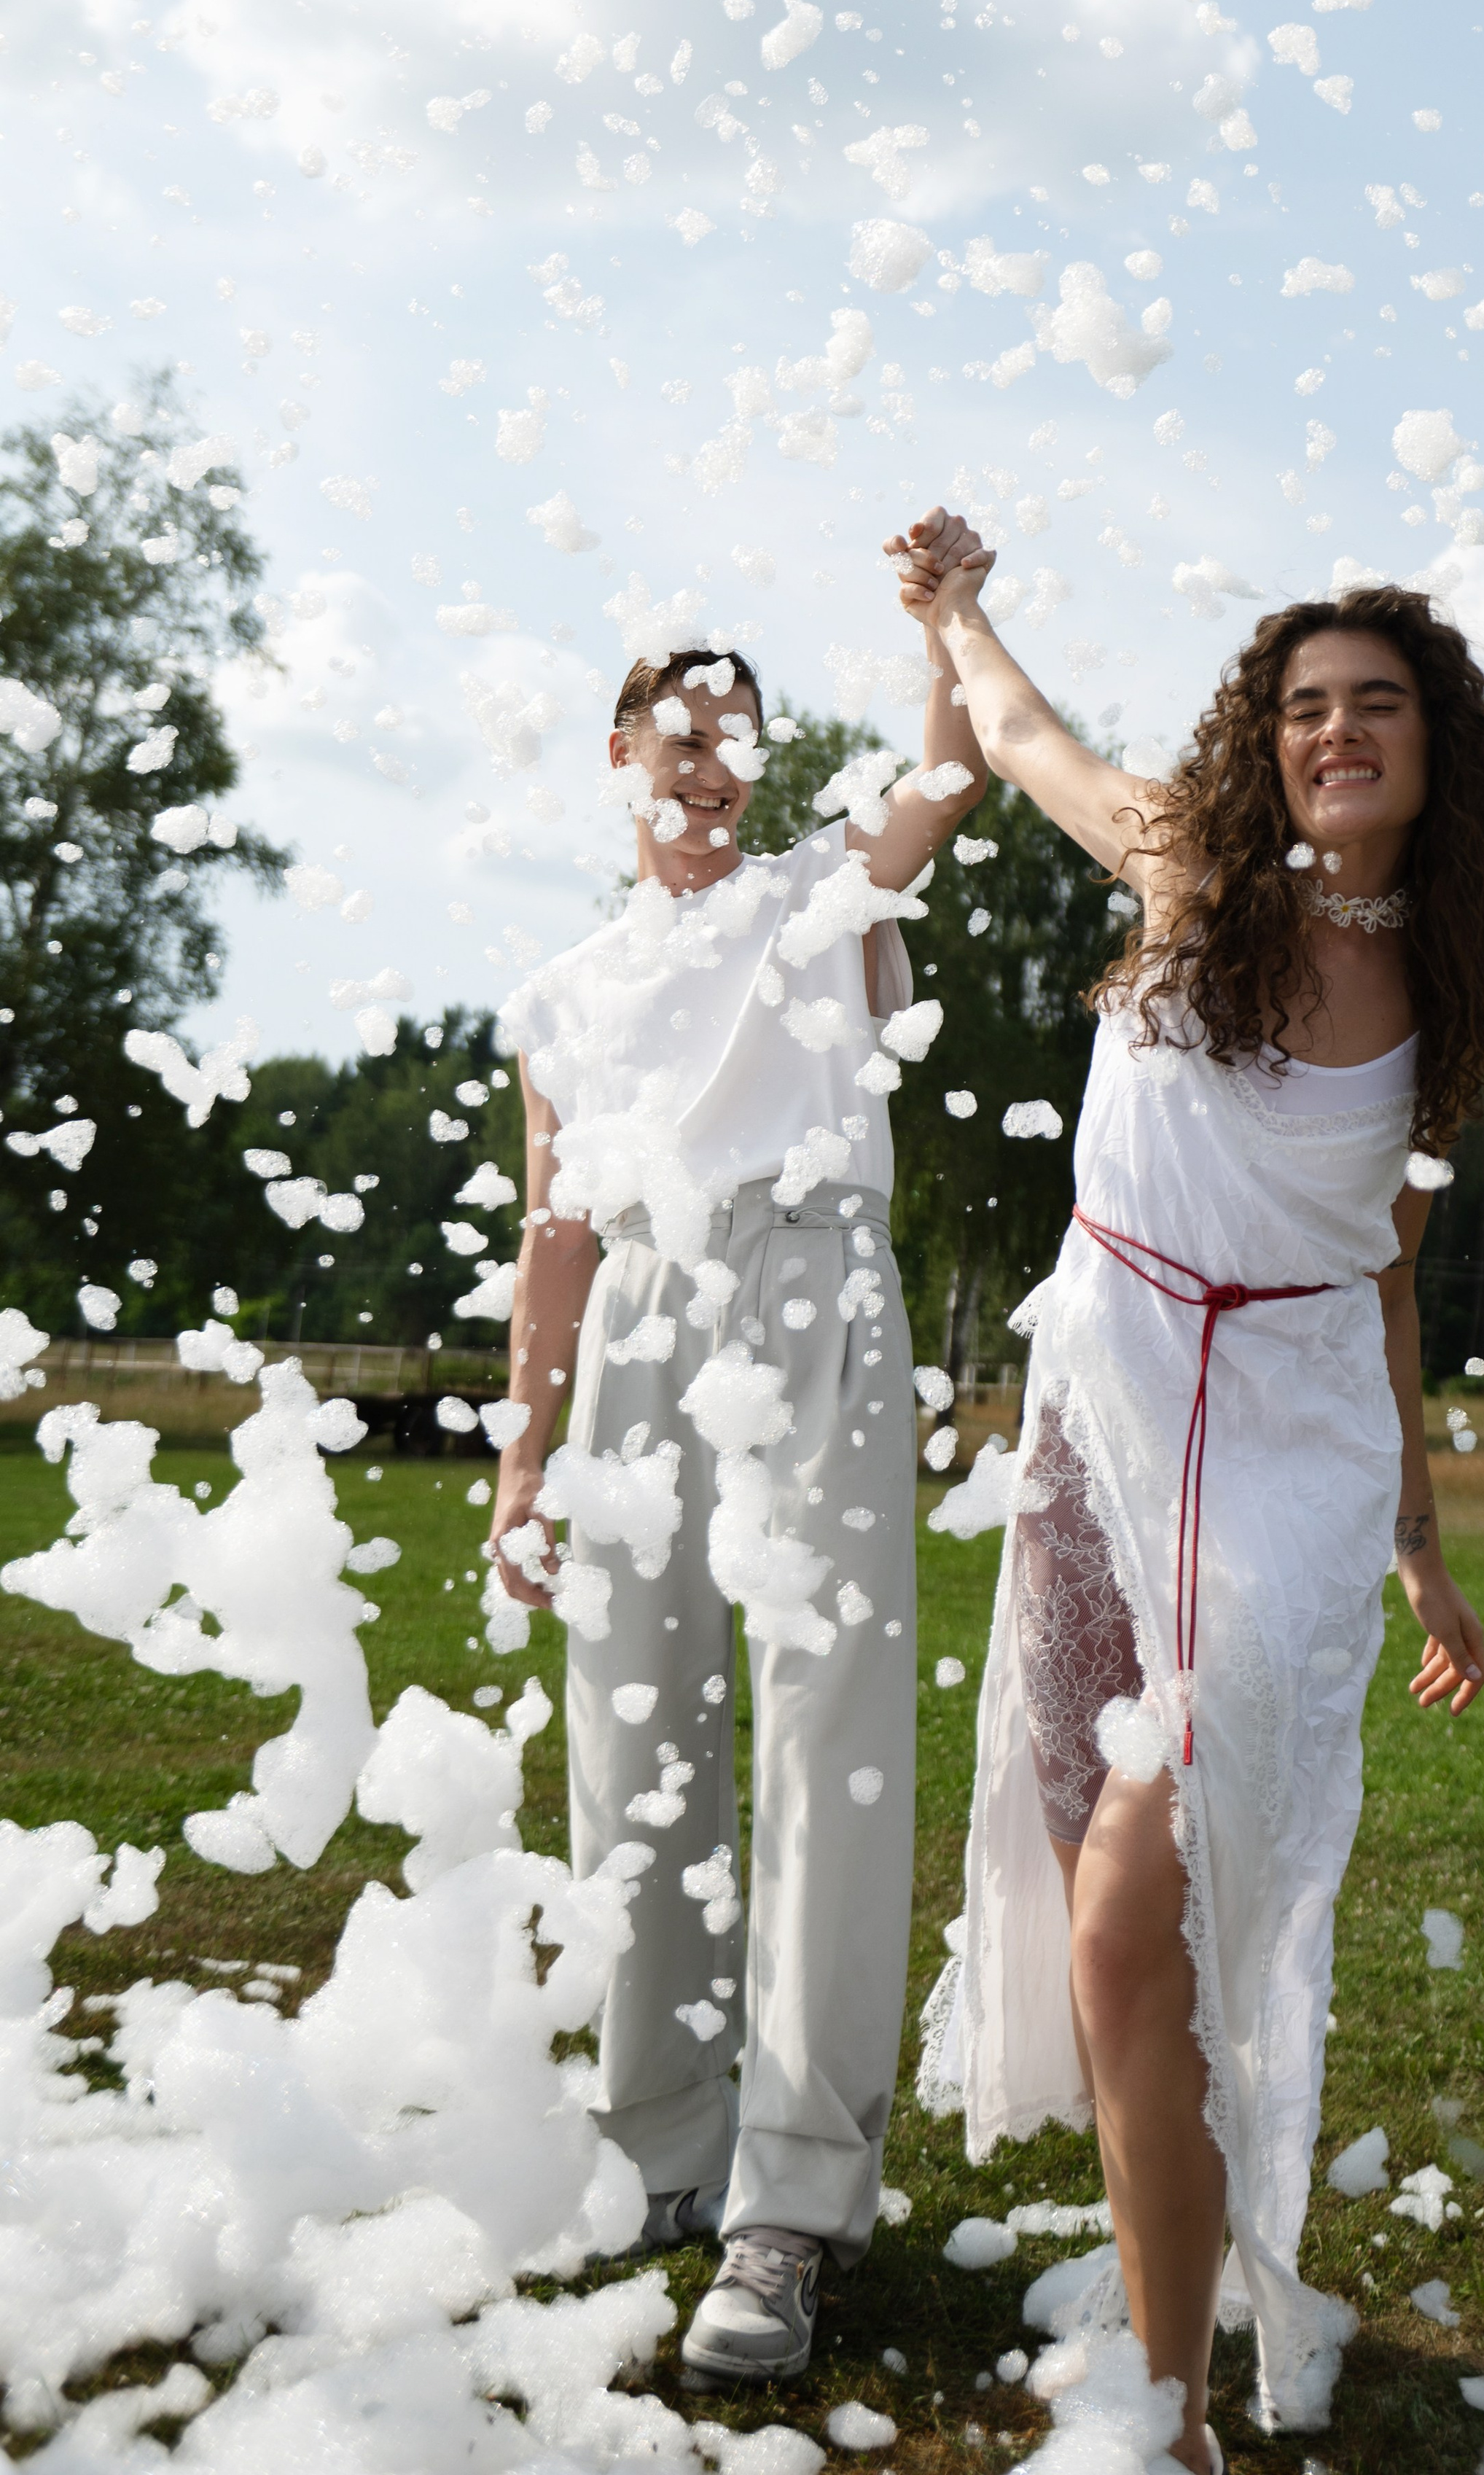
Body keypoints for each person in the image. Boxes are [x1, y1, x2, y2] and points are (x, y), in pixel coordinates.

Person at [891, 521, 1484, 2450]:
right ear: (1263, 743)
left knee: (1146, 1908)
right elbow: (1023, 741)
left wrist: (1424, 1551)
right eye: (1303, 707)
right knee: (1116, 1907)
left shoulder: (1443, 1010)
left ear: (1436, 754)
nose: (1335, 732)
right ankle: (1166, 2381)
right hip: (1106, 1410)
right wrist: (952, 614)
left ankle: (1171, 2383)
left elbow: (1387, 1287)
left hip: (1287, 1458)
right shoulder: (1192, 879)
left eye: (1375, 706)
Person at [486, 550, 986, 2386]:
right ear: (615, 751)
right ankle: (653, 2154)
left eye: (737, 734)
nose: (707, 758)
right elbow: (553, 1226)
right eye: (675, 728)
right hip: (634, 1317)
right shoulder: (558, 987)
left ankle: (788, 2200)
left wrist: (946, 626)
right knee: (630, 1742)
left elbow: (947, 776)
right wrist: (519, 1455)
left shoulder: (813, 897)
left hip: (806, 1300)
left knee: (820, 1743)